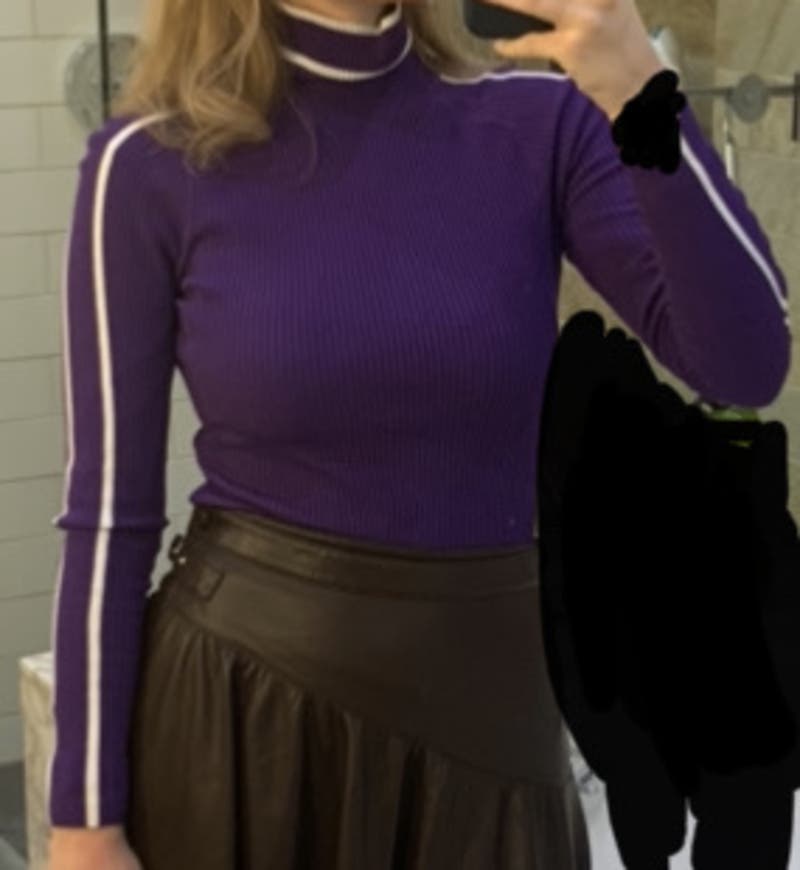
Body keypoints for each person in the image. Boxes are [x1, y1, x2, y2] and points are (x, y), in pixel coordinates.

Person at [46, 0, 790, 865]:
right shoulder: (150, 163)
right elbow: (109, 514)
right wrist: (85, 823)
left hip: (492, 725)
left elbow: (744, 363)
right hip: (248, 725)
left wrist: (640, 90)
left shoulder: (537, 123)